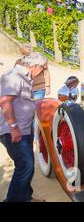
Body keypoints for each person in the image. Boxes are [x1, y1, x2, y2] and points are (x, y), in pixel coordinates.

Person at [0, 52, 46, 202]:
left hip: (22, 129)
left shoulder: (22, 76)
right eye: (43, 68)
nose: (43, 72)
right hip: (14, 131)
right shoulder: (14, 76)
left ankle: (25, 197)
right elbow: (5, 102)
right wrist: (14, 127)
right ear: (35, 66)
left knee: (24, 165)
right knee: (26, 166)